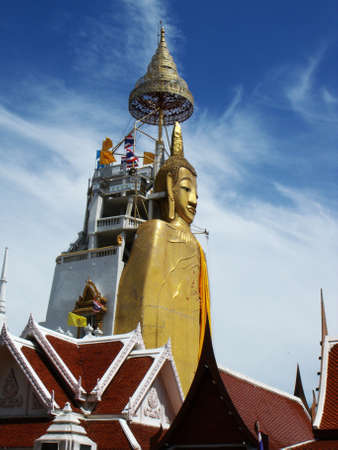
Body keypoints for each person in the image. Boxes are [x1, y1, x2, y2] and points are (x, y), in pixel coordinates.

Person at [114, 122, 205, 394]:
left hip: (187, 342)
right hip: (154, 348)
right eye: (187, 189)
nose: (195, 200)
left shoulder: (196, 248)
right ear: (168, 186)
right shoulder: (154, 232)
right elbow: (141, 307)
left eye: (197, 193)